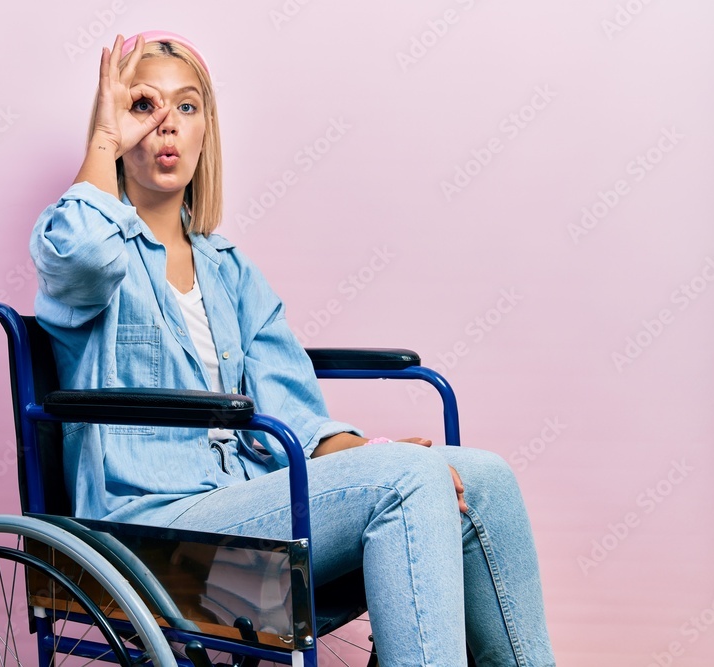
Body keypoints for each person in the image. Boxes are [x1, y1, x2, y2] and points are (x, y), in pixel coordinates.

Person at [30, 30, 556, 667]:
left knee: (486, 478)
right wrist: (106, 141)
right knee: (409, 483)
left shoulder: (231, 272)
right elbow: (79, 254)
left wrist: (370, 456)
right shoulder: (94, 256)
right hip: (151, 535)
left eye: (187, 107)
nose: (167, 124)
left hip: (252, 507)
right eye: (144, 106)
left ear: (206, 132)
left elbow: (295, 410)